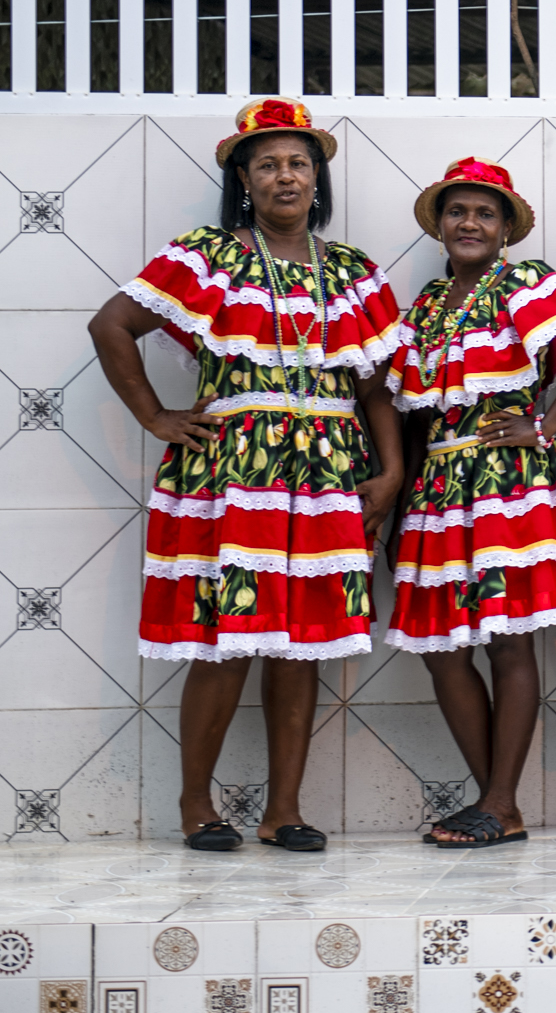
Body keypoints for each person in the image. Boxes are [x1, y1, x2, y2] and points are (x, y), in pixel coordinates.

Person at [87, 97, 402, 852]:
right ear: (244, 180)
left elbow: (372, 386)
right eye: (267, 164)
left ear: (317, 179)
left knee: (303, 641)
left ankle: (283, 808)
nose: (285, 176)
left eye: (298, 162)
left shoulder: (353, 270)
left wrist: (390, 470)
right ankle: (197, 804)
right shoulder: (210, 256)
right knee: (225, 640)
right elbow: (111, 324)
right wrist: (157, 417)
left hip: (328, 472)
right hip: (231, 472)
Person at [386, 158, 556, 849]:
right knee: (441, 648)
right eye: (457, 211)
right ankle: (497, 800)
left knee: (510, 641)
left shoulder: (524, 281)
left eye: (486, 214)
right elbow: (415, 409)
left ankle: (498, 799)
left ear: (506, 229)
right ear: (439, 225)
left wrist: (544, 421)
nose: (470, 223)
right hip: (439, 487)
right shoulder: (428, 303)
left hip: (508, 483)